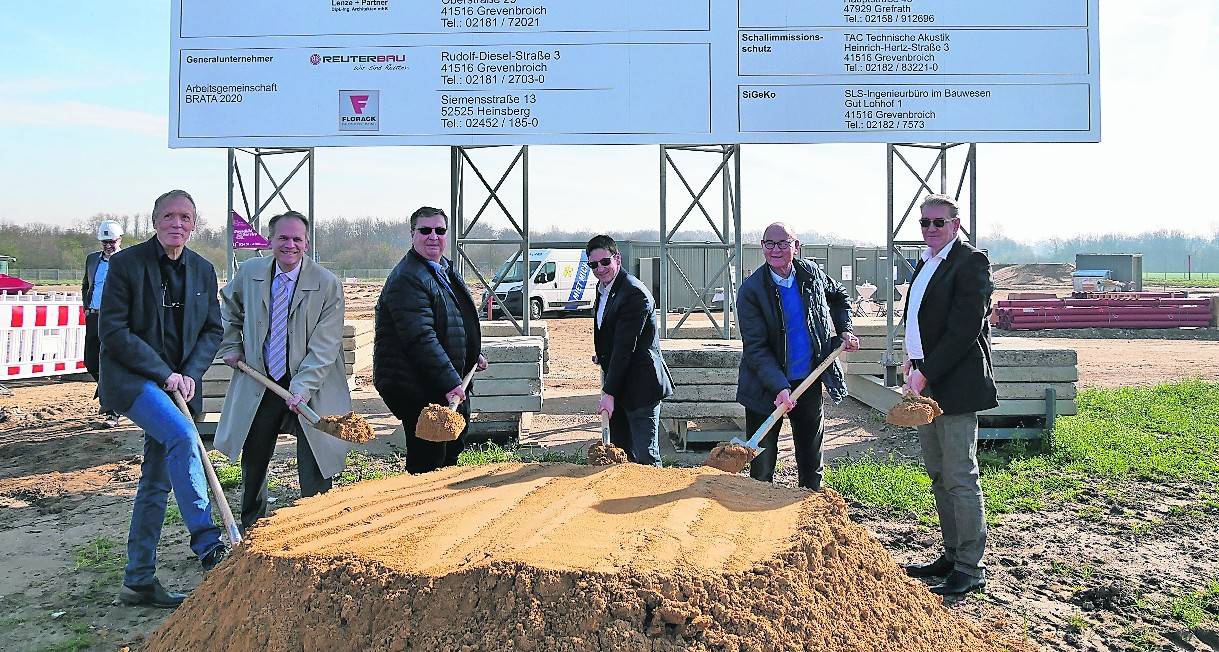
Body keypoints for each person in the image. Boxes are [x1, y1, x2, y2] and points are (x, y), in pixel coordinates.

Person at [98, 189, 226, 609]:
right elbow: (114, 332)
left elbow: (212, 330)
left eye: (185, 217)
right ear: (154, 221)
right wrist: (163, 373)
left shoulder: (204, 270)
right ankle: (210, 546)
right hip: (136, 380)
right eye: (168, 216)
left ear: (194, 224)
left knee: (155, 481)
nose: (177, 223)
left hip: (181, 385)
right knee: (183, 437)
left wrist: (190, 373)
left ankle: (137, 581)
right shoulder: (125, 265)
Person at [213, 211, 352, 533]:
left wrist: (301, 388)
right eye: (283, 238)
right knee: (255, 453)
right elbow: (227, 310)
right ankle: (252, 525)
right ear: (271, 240)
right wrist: (231, 345)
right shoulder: (250, 273)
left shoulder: (326, 284)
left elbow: (325, 346)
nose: (290, 245)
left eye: (297, 239)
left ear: (307, 243)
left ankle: (314, 524)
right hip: (261, 380)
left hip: (310, 387)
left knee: (316, 456)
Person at [901, 194, 997, 596]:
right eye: (924, 223)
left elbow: (963, 330)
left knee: (960, 475)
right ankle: (952, 553)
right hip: (925, 379)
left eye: (938, 223)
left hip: (953, 386)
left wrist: (925, 372)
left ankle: (970, 568)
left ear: (956, 225)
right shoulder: (927, 261)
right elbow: (919, 320)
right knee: (939, 473)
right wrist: (910, 361)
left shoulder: (971, 262)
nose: (930, 229)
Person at [735, 222, 860, 490]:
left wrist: (845, 330)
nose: (776, 249)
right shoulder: (751, 290)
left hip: (808, 382)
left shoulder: (811, 274)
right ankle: (758, 520)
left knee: (811, 461)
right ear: (762, 247)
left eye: (783, 243)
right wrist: (779, 387)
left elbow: (839, 296)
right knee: (762, 466)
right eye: (770, 243)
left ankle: (810, 515)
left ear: (797, 246)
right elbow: (755, 348)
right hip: (765, 388)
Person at [373, 206, 487, 474]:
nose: (433, 236)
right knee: (428, 461)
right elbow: (420, 337)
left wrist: (472, 353)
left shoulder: (441, 269)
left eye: (439, 230)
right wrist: (449, 382)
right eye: (425, 230)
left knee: (450, 454)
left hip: (442, 383)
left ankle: (444, 510)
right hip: (418, 386)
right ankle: (420, 512)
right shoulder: (408, 278)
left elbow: (453, 320)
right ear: (412, 234)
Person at [587, 234, 673, 467]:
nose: (600, 269)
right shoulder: (604, 289)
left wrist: (609, 393)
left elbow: (627, 346)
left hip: (641, 386)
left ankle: (654, 500)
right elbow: (610, 332)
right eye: (593, 264)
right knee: (621, 453)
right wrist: (603, 355)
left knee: (645, 455)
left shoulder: (634, 293)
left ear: (618, 258)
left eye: (605, 262)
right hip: (619, 381)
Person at [83, 219, 124, 428]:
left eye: (112, 242)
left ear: (120, 240)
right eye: (104, 242)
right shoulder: (92, 260)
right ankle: (106, 390)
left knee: (111, 363)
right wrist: (87, 307)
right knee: (90, 360)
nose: (108, 246)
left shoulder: (127, 261)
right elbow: (86, 285)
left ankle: (112, 409)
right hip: (94, 317)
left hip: (115, 319)